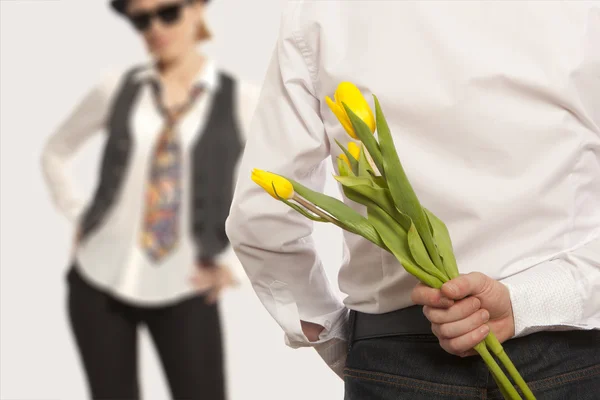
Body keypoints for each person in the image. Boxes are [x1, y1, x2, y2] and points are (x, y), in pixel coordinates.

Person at [226, 2, 600, 399]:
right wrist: (532, 301)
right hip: (570, 356)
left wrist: (348, 345)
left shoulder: (323, 12)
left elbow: (260, 219)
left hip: (394, 357)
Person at [41, 0, 259, 398]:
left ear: (197, 8)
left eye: (168, 12)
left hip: (186, 285)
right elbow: (56, 151)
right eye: (140, 20)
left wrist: (237, 271)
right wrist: (80, 215)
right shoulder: (117, 87)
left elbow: (271, 195)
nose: (155, 27)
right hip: (99, 282)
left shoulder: (242, 99)